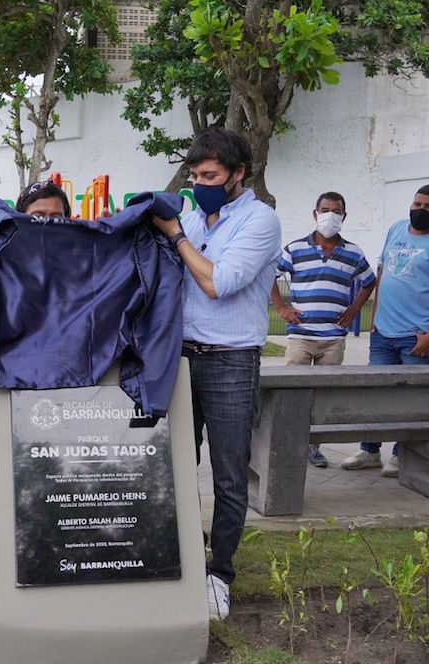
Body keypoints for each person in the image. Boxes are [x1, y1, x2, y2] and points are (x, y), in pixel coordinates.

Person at [151, 128, 281, 622]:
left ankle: (219, 574)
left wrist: (178, 237)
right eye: (194, 174)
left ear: (238, 174)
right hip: (181, 356)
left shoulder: (259, 220)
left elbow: (218, 283)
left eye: (210, 175)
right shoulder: (188, 214)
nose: (199, 183)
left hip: (230, 359)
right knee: (177, 466)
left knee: (228, 476)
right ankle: (185, 555)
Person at [340, 184, 429, 477]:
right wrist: (375, 317)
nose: (420, 210)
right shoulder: (397, 229)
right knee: (376, 393)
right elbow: (383, 272)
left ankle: (403, 454)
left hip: (418, 336)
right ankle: (370, 449)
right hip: (384, 332)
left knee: (412, 398)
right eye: (417, 204)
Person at [271, 191, 376, 468]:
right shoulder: (294, 249)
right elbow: (269, 275)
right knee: (291, 393)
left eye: (336, 211)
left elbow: (369, 281)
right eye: (325, 209)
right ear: (315, 213)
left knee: (321, 397)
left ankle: (312, 446)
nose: (330, 215)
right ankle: (287, 444)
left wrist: (354, 310)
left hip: (333, 338)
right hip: (301, 336)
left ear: (344, 216)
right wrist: (282, 308)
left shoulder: (353, 253)